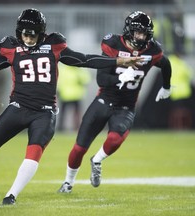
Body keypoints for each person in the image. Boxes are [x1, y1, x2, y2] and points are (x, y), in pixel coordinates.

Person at [0, 8, 141, 205]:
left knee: (33, 153)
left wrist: (119, 60)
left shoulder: (54, 45)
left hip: (45, 113)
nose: (28, 38)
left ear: (41, 32)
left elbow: (84, 59)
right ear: (18, 32)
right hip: (18, 107)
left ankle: (10, 196)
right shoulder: (11, 48)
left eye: (32, 34)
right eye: (24, 34)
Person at [58, 11, 172, 193]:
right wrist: (120, 78)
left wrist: (166, 86)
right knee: (79, 148)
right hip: (104, 100)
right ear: (129, 31)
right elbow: (101, 79)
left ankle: (97, 160)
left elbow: (165, 64)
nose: (141, 37)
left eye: (144, 34)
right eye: (138, 33)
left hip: (126, 106)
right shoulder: (113, 43)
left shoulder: (152, 50)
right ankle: (67, 183)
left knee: (115, 138)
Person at [57, 64, 91, 132]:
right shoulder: (64, 69)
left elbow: (86, 80)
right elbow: (58, 81)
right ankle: (61, 128)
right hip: (66, 95)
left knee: (75, 113)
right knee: (65, 113)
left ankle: (76, 128)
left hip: (74, 95)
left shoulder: (65, 69)